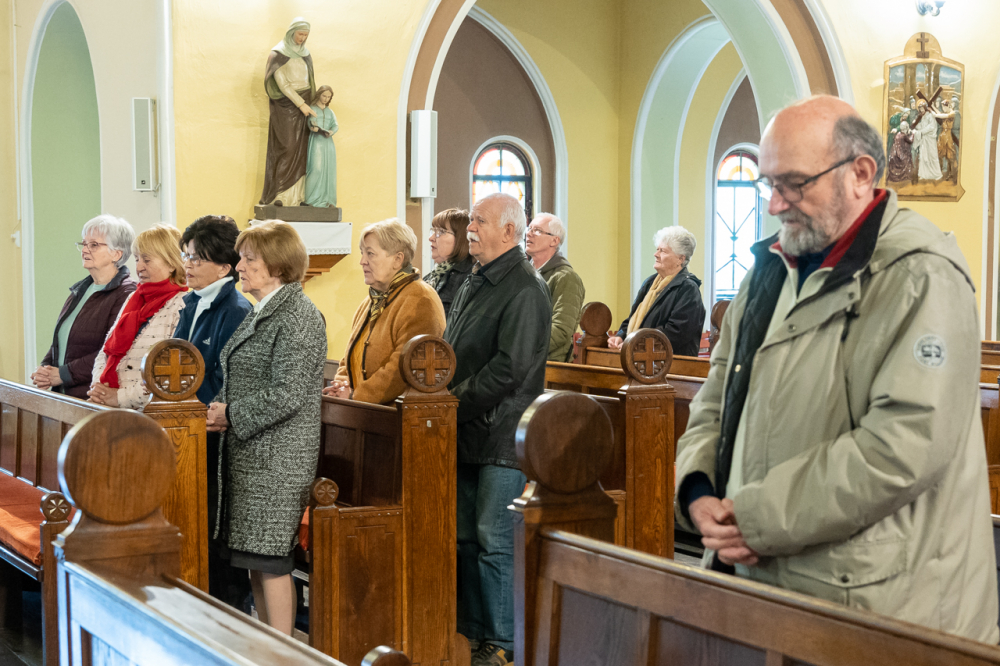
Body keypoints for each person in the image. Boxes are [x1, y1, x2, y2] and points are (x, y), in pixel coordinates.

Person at [674, 95, 998, 643]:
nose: (775, 204)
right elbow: (718, 395)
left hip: (880, 602)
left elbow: (902, 446)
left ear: (861, 174)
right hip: (760, 576)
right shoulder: (769, 269)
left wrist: (754, 517)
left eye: (794, 184)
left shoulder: (921, 276)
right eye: (768, 183)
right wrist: (698, 490)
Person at [205, 220, 326, 636]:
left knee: (271, 562)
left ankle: (284, 653)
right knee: (255, 561)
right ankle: (267, 647)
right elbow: (244, 375)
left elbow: (288, 393)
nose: (239, 266)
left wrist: (230, 414)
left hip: (277, 460)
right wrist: (221, 408)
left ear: (277, 264)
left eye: (249, 259)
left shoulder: (299, 316)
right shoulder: (264, 309)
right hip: (251, 455)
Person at [444, 192, 551, 666]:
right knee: (466, 536)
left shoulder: (525, 287)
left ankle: (505, 643)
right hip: (469, 428)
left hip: (501, 433)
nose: (470, 229)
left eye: (479, 221)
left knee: (494, 539)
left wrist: (454, 400)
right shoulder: (478, 278)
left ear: (509, 231)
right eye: (471, 220)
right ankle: (471, 634)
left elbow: (511, 368)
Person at [172, 215, 253, 611]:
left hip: (213, 437)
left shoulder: (234, 309)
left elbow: (228, 379)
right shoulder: (191, 303)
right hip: (186, 431)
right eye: (186, 256)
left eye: (197, 258)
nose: (187, 265)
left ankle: (227, 613)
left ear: (224, 267)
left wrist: (192, 407)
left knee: (214, 533)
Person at [324, 218, 446, 404]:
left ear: (397, 259)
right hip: (360, 410)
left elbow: (402, 369)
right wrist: (341, 385)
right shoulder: (371, 300)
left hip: (395, 415)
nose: (362, 261)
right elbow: (350, 355)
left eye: (370, 254)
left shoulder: (421, 299)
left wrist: (356, 395)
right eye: (362, 253)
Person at [31, 215, 136, 399]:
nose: (85, 250)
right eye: (84, 243)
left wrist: (63, 374)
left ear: (116, 254)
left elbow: (111, 350)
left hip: (93, 397)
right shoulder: (81, 290)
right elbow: (63, 339)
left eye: (94, 245)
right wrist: (45, 368)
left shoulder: (126, 293)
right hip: (64, 396)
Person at [89, 224, 187, 410]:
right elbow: (105, 350)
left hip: (148, 415)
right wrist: (99, 389)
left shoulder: (182, 305)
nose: (139, 267)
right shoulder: (133, 298)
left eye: (147, 260)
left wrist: (120, 398)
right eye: (137, 259)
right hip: (112, 408)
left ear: (172, 263)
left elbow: (168, 374)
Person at [608, 226, 705, 357]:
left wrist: (635, 343)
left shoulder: (688, 289)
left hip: (671, 363)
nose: (656, 254)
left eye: (663, 251)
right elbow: (633, 318)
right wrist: (621, 336)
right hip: (640, 358)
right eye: (657, 249)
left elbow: (676, 333)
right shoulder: (650, 283)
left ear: (680, 259)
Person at [260, 18, 317, 206]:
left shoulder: (306, 54)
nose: (303, 38)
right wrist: (301, 104)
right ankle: (281, 196)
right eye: (300, 34)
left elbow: (310, 80)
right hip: (286, 106)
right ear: (292, 32)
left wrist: (311, 103)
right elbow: (282, 84)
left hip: (305, 103)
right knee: (288, 147)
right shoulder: (278, 54)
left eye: (306, 35)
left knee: (303, 151)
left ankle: (299, 197)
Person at [524, 213, 585, 362]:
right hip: (520, 362)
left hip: (548, 365)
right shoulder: (523, 274)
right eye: (529, 228)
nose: (529, 233)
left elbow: (561, 330)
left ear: (554, 240)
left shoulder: (566, 278)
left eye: (537, 230)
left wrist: (521, 346)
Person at [423, 208, 474, 315]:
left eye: (441, 232)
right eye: (433, 231)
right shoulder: (433, 276)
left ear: (461, 238)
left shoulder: (469, 278)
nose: (431, 238)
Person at [304, 85, 338, 207]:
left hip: (328, 142)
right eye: (324, 96)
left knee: (328, 170)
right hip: (317, 141)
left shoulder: (330, 112)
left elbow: (335, 125)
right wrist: (313, 127)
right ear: (319, 95)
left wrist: (331, 131)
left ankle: (327, 200)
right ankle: (310, 200)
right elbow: (310, 122)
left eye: (328, 97)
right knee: (316, 168)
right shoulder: (312, 108)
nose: (326, 99)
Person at [912, 99, 943, 181]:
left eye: (922, 108)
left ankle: (937, 175)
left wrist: (920, 132)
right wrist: (916, 125)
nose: (921, 110)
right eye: (920, 109)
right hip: (924, 140)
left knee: (932, 156)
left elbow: (931, 127)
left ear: (925, 107)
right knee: (923, 156)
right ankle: (924, 174)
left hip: (930, 140)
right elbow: (922, 126)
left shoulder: (930, 115)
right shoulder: (923, 117)